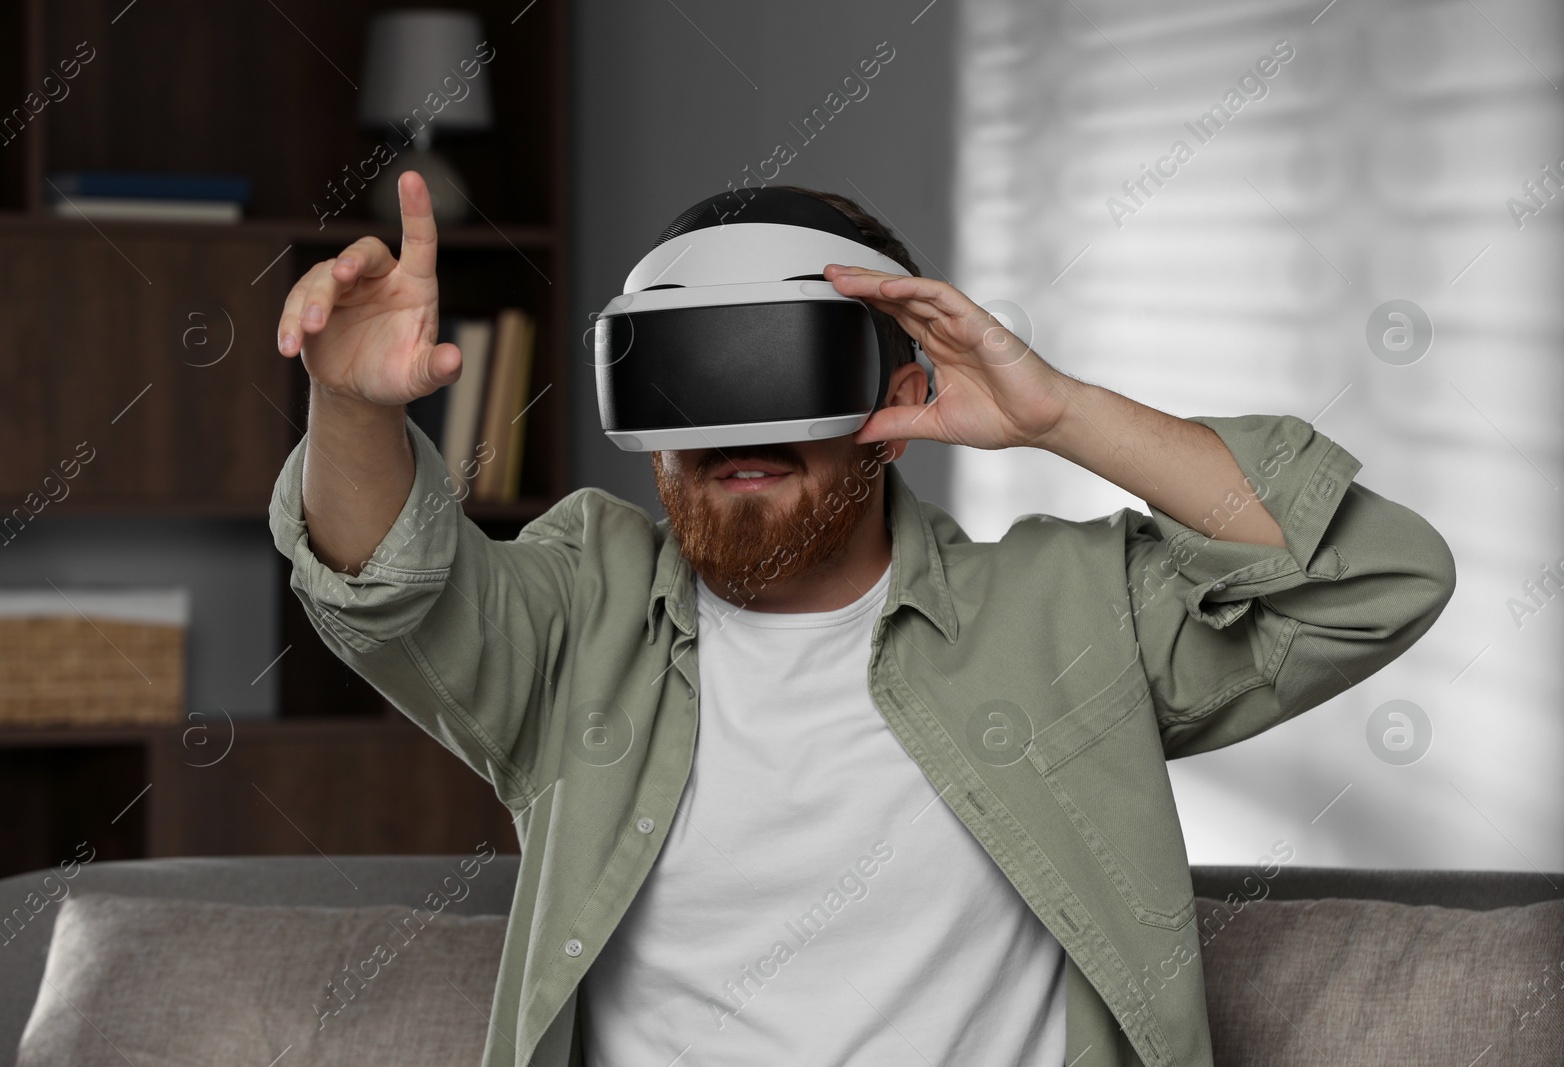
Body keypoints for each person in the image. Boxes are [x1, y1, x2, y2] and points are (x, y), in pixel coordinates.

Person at [270, 170, 1455, 1067]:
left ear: (896, 401)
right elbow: (382, 583)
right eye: (696, 380)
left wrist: (1060, 415)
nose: (737, 429)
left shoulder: (1066, 611)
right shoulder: (580, 610)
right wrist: (347, 405)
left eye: (777, 367)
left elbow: (1371, 577)